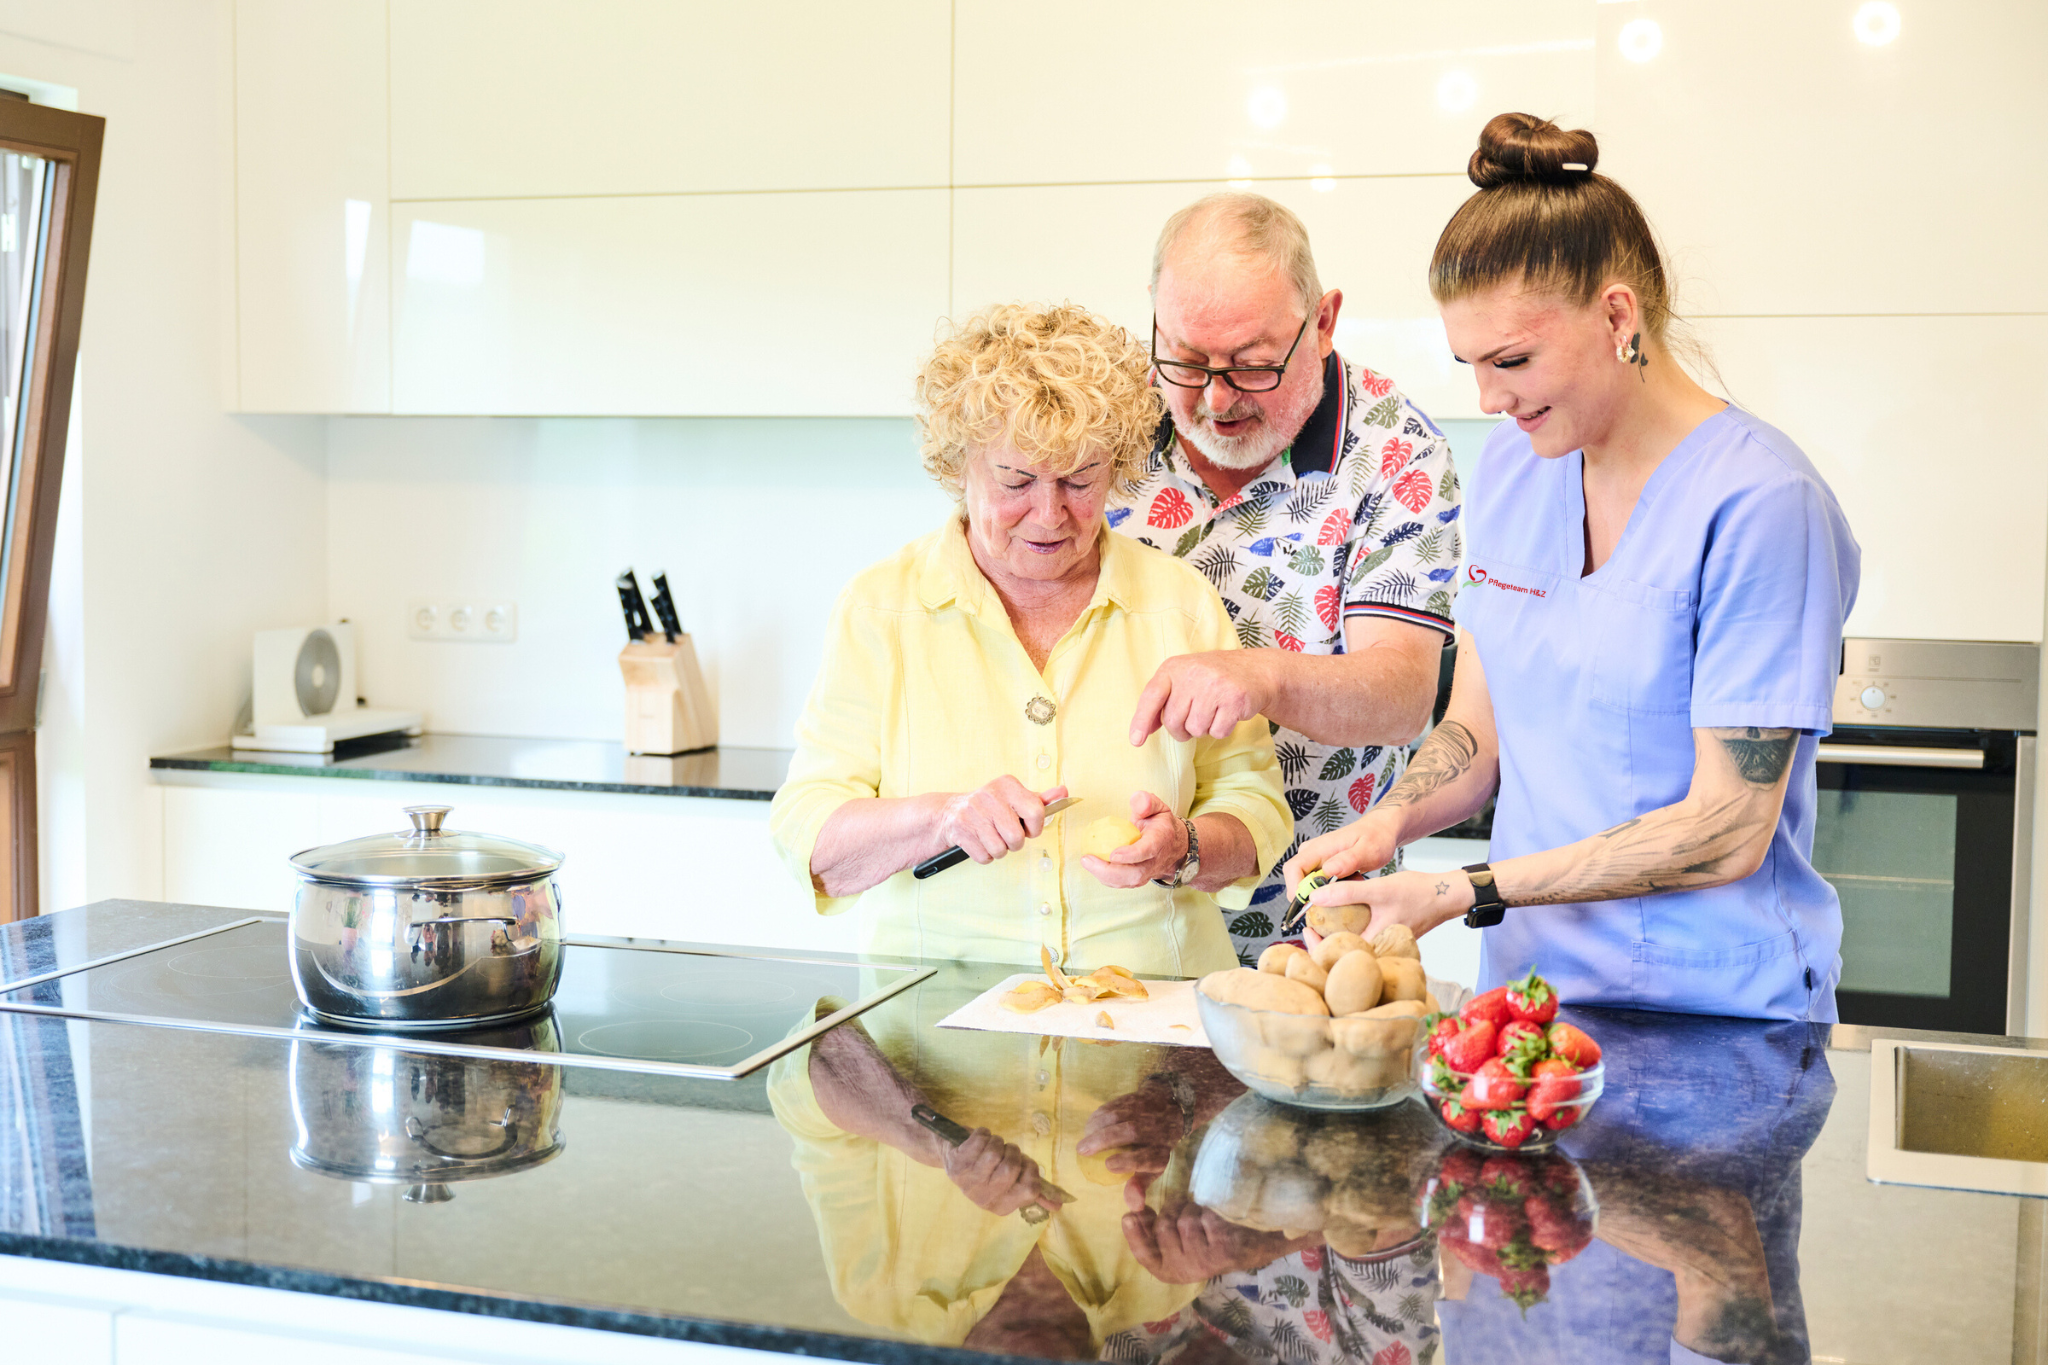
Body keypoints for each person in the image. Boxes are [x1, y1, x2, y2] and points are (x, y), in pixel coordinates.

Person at [1287, 114, 1860, 1021]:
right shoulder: (1519, 466)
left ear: (1618, 316)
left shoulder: (1761, 503)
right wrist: (1390, 820)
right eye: (1471, 364)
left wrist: (1461, 889)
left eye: (1513, 359)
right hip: (1526, 1001)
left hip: (1713, 1018)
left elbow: (1729, 827)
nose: (1489, 398)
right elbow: (1479, 729)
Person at [770, 302, 1292, 976]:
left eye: (1080, 480)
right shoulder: (881, 608)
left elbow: (1256, 810)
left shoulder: (1180, 606)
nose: (1049, 515)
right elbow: (807, 833)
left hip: (1155, 1020)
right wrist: (941, 818)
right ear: (961, 467)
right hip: (935, 1032)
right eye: (1016, 480)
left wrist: (1184, 847)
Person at [1112, 192, 1464, 963]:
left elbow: (1404, 693)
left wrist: (1259, 676)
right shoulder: (1103, 421)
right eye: (1185, 360)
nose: (1214, 399)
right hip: (1117, 931)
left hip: (1314, 936)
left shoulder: (1395, 452)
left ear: (1325, 320)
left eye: (1252, 364)